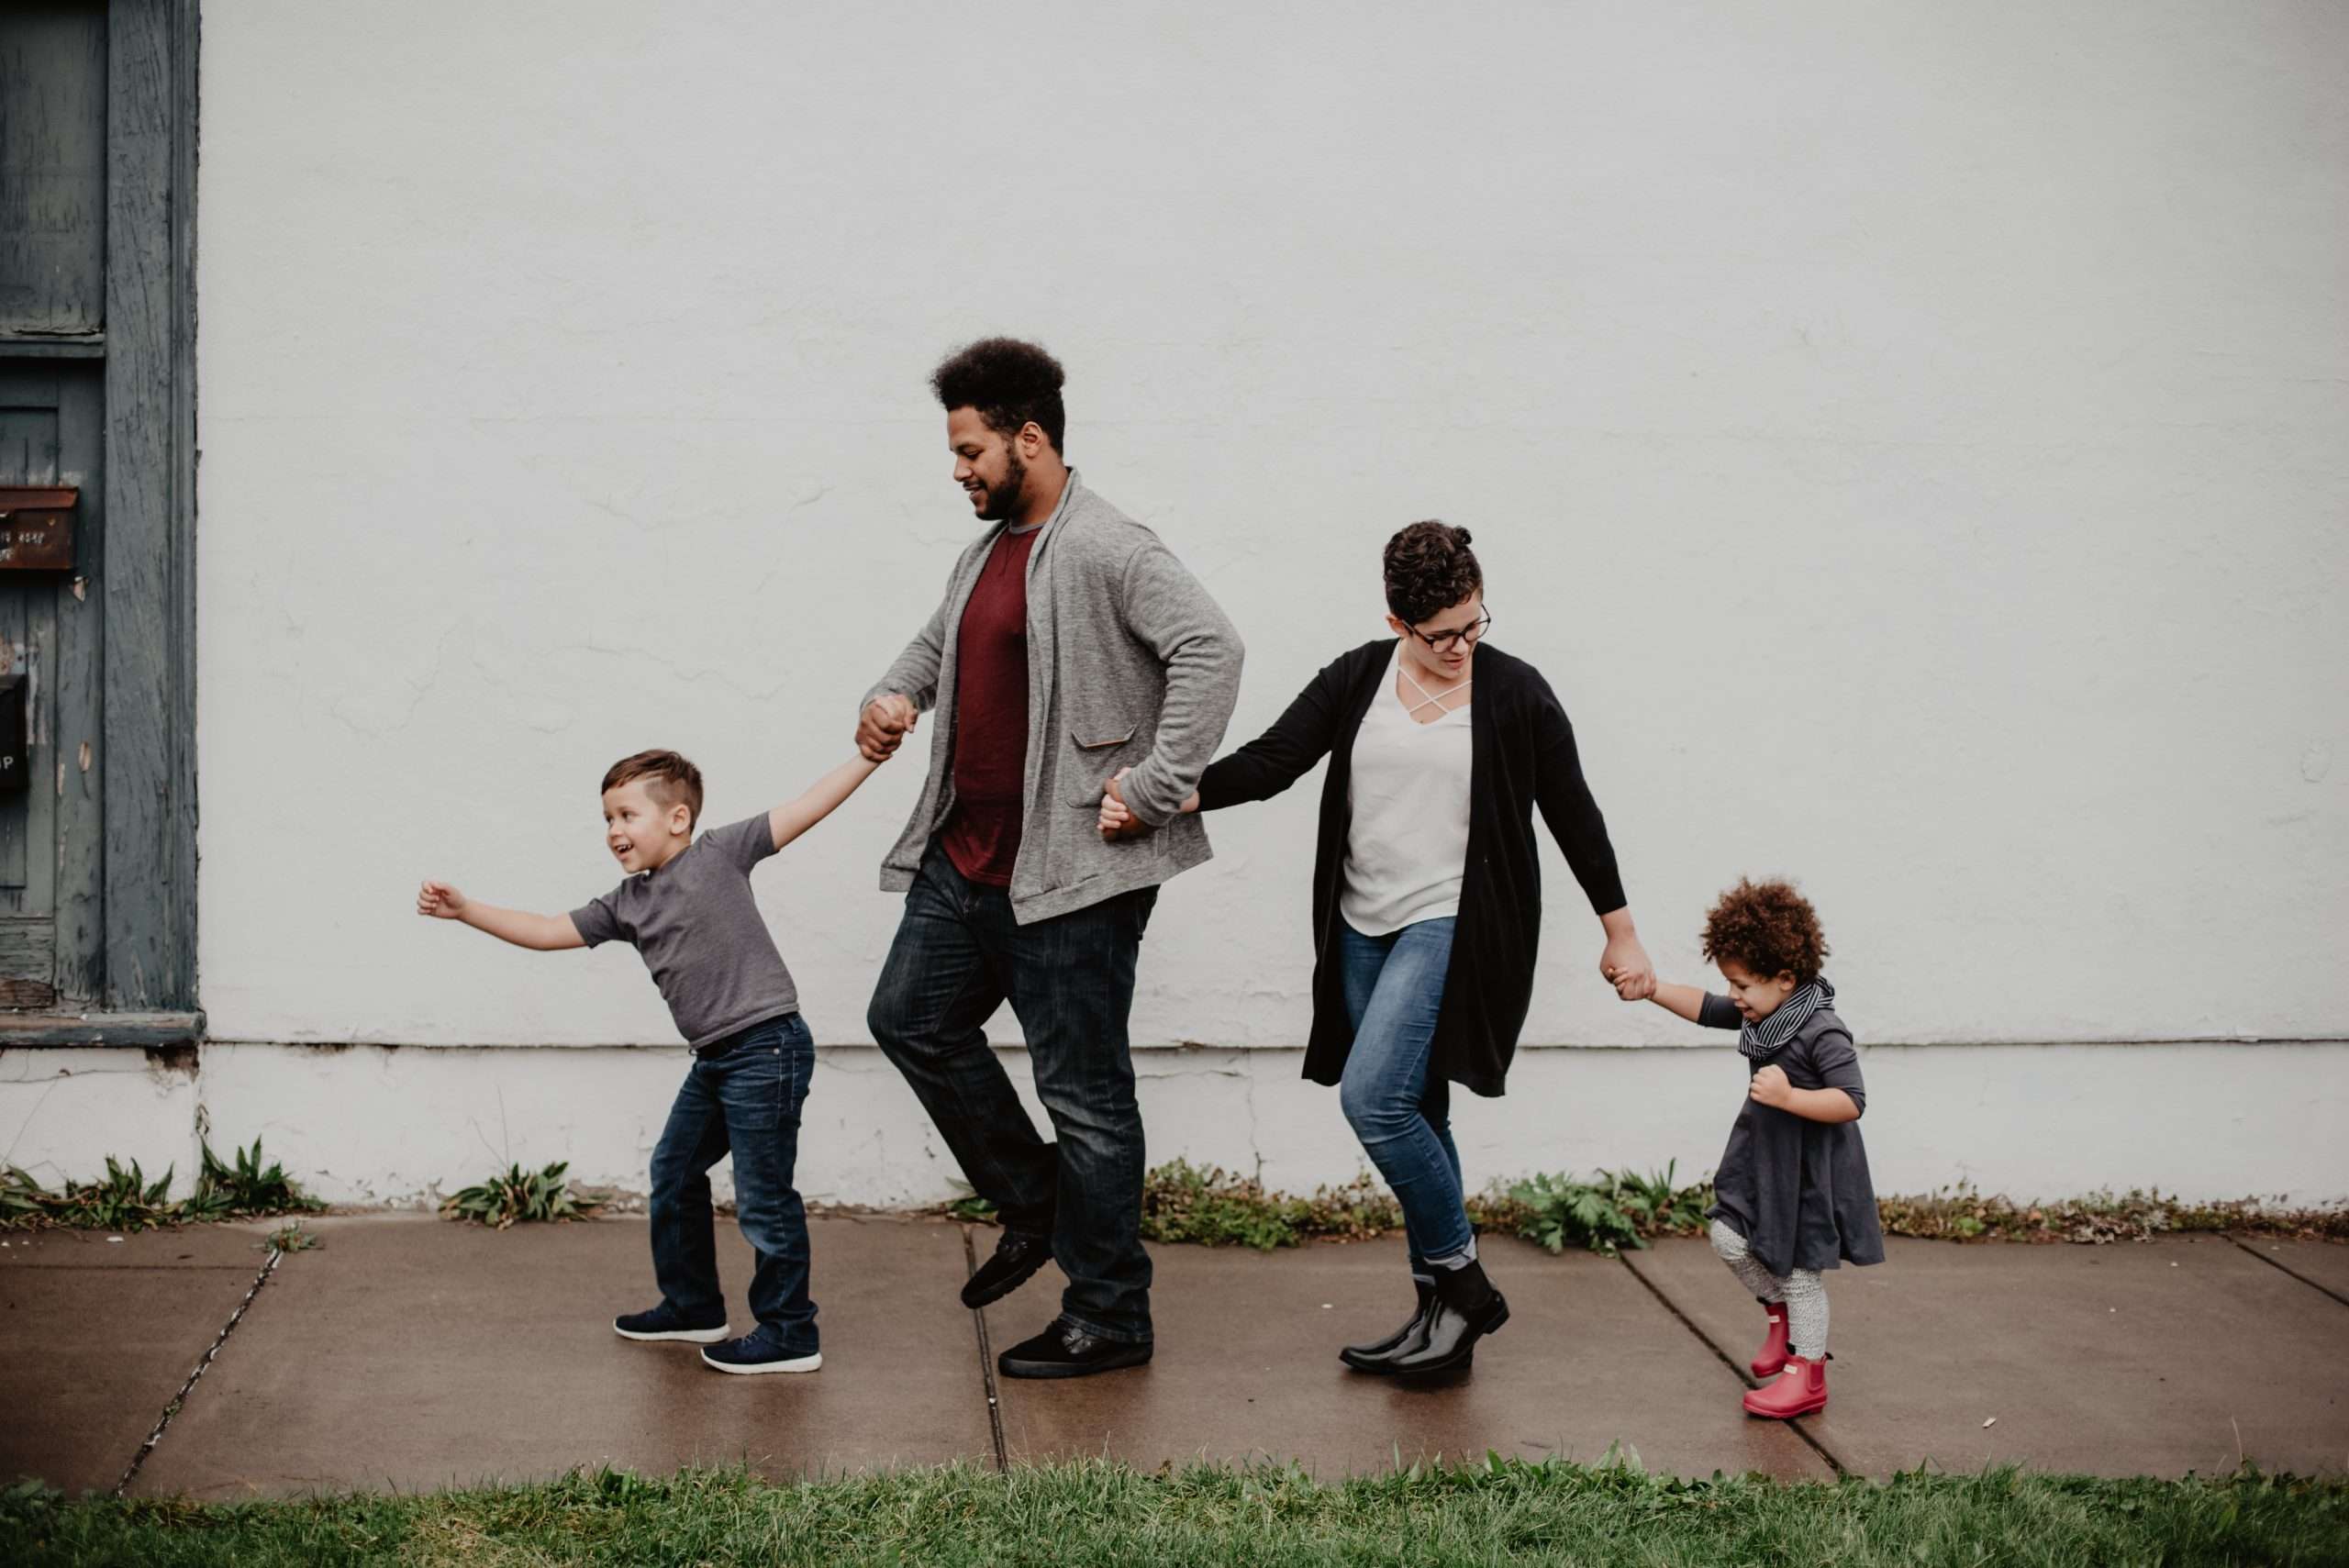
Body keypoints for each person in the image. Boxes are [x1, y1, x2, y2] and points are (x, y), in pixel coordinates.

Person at [1100, 521, 1653, 1375]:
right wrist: (1163, 797)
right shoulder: (1361, 676)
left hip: (1452, 922)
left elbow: (1574, 812)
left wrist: (1620, 931)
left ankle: (1465, 1284)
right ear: (1399, 623)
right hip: (1361, 926)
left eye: (1475, 624)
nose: (1462, 646)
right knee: (1419, 1111)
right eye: (1441, 635)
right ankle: (1440, 1321)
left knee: (1375, 1101)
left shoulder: (1516, 693)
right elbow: (1274, 760)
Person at [859, 338, 1242, 1380]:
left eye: (971, 448)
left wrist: (1156, 784)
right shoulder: (985, 552)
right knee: (908, 1019)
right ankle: (1036, 1204)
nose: (958, 469)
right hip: (966, 858)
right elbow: (938, 644)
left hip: (1069, 874)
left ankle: (1111, 1311)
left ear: (1030, 438)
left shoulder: (1108, 546)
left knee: (1085, 1092)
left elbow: (1213, 648)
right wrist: (892, 695)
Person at [417, 746, 881, 1374]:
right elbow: (549, 928)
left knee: (764, 1195)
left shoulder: (721, 852)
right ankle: (693, 1305)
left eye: (627, 815)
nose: (614, 831)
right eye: (607, 818)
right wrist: (466, 910)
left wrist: (868, 758)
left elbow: (807, 806)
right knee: (674, 1168)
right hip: (715, 1060)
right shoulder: (627, 903)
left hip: (767, 1047)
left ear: (678, 818)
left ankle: (791, 1330)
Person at [1632, 876, 1883, 1418]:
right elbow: (1704, 1007)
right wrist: (1651, 987)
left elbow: (1852, 1100)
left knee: (1798, 1272)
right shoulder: (1763, 1014)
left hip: (1808, 1170)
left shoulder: (1821, 1030)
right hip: (1764, 1159)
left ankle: (1808, 1373)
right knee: (1727, 1235)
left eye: (1742, 985)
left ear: (1786, 978)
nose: (1735, 996)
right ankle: (1780, 1315)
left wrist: (1791, 1095)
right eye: (1731, 984)